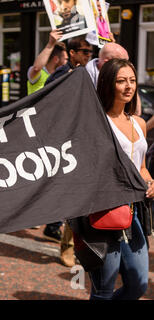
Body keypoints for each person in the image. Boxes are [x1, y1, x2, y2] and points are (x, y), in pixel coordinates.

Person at [75, 58, 152, 299]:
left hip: (133, 212)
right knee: (104, 289)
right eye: (121, 81)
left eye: (132, 80)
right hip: (102, 212)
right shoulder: (95, 123)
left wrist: (150, 182)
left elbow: (141, 167)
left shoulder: (139, 123)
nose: (129, 86)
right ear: (108, 84)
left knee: (139, 284)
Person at [43, 35, 93, 267]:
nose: (88, 56)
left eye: (90, 53)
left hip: (85, 139)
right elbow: (47, 100)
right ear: (72, 53)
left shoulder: (90, 73)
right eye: (84, 52)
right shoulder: (63, 74)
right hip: (66, 142)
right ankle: (68, 246)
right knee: (71, 195)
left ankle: (78, 245)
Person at [27, 29, 67, 95]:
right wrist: (51, 44)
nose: (67, 62)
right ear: (56, 59)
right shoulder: (39, 73)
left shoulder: (61, 75)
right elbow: (36, 68)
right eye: (65, 59)